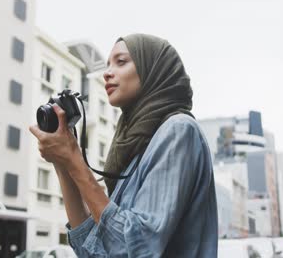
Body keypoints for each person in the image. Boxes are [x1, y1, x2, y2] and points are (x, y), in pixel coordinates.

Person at [30, 33, 218, 257]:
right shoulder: (134, 151)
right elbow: (91, 249)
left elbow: (137, 248)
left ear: (152, 69)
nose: (107, 73)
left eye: (121, 62)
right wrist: (62, 164)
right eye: (108, 64)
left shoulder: (178, 130)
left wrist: (74, 159)